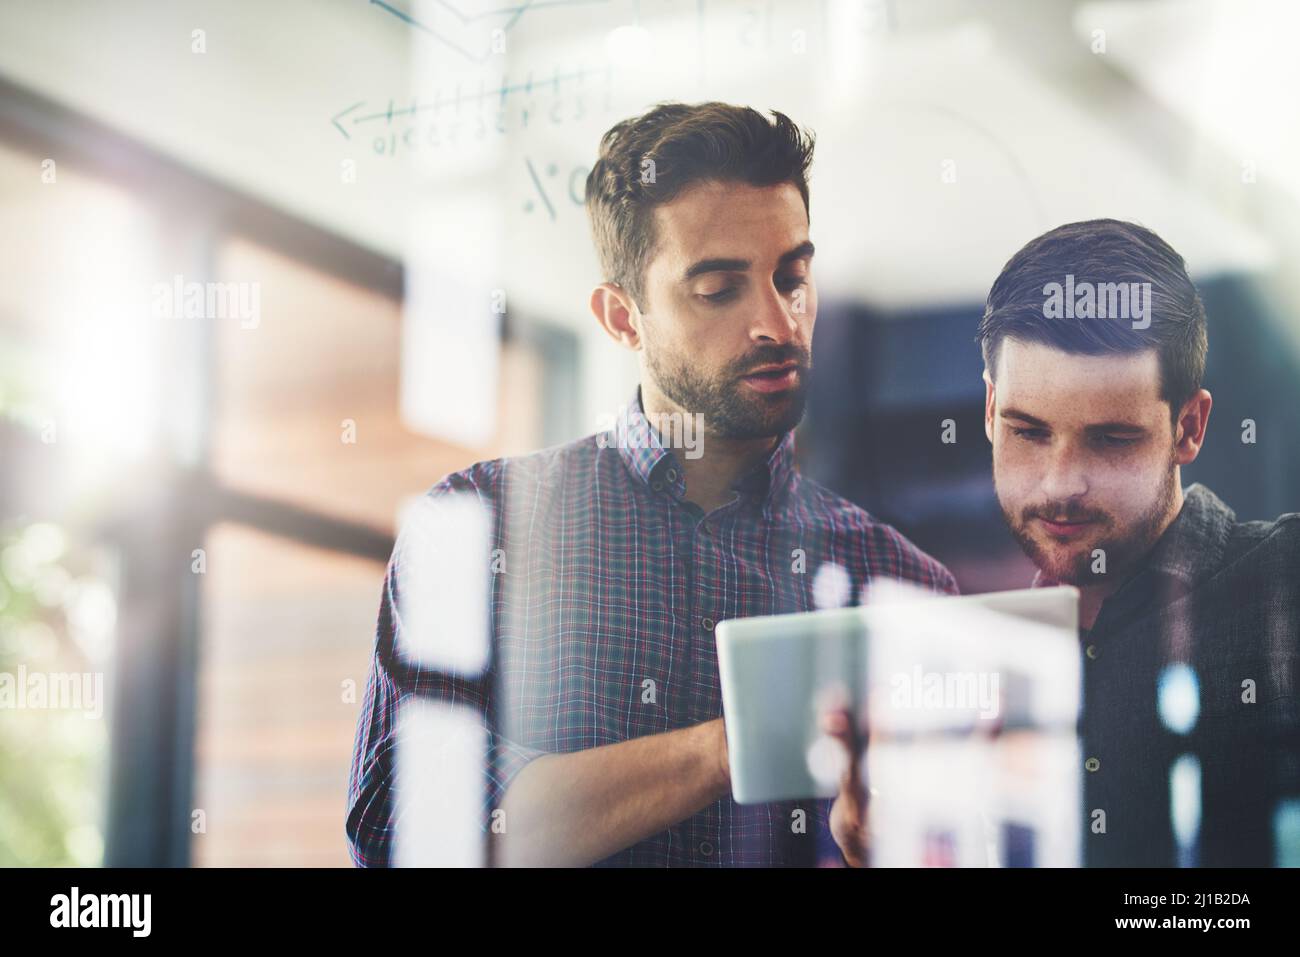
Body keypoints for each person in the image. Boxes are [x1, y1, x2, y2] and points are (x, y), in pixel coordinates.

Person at [346, 101, 955, 867]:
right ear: (621, 317)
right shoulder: (482, 527)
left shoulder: (903, 583)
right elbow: (403, 828)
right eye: (718, 289)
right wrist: (725, 752)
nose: (778, 320)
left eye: (791, 275)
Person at [977, 219, 1300, 866]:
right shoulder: (984, 661)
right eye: (1028, 432)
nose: (1061, 483)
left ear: (1190, 427)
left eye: (1111, 439)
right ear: (989, 413)